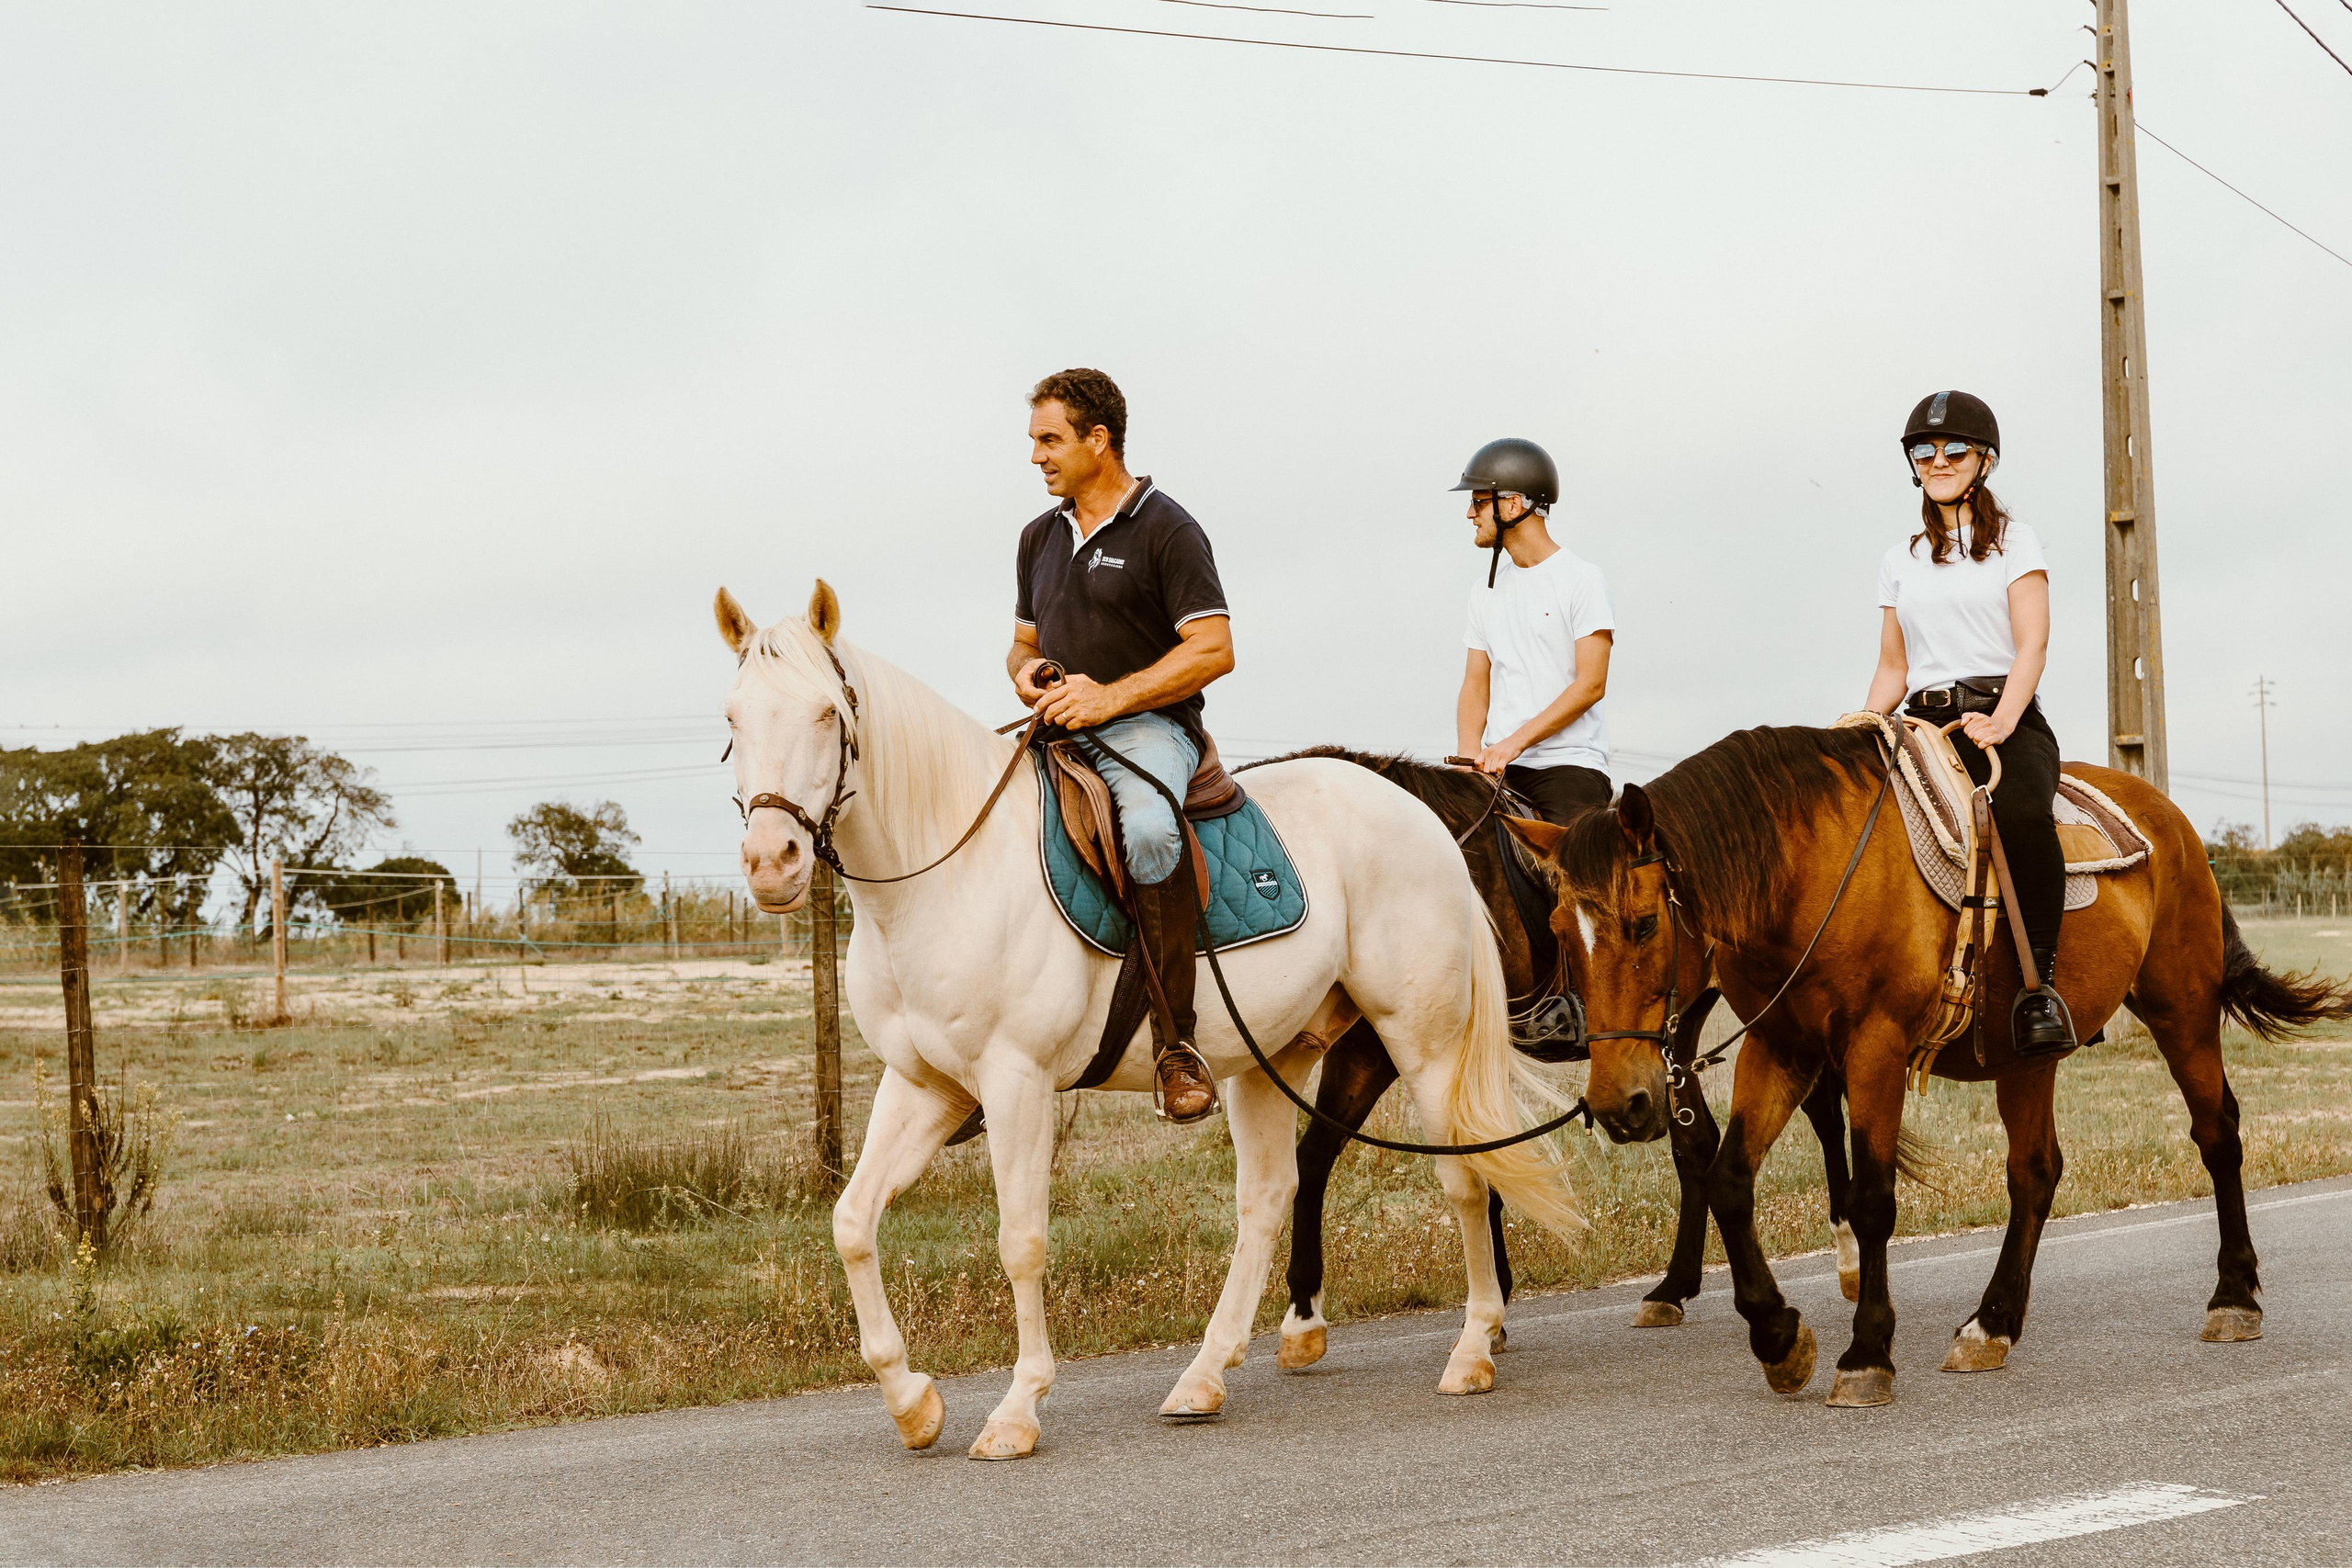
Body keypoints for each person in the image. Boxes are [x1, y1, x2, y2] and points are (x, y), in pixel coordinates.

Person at [1009, 368, 1233, 1122]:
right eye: (1034, 440)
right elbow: (1020, 647)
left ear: (1097, 441)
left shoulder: (1168, 528)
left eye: (1050, 440)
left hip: (1150, 728)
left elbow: (1213, 648)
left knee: (1145, 829)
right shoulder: (1037, 537)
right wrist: (1030, 676)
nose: (1036, 455)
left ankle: (1179, 1044)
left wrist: (1109, 696)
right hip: (1057, 727)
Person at [1865, 389, 2075, 1054]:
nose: (1938, 460)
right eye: (1923, 451)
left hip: (2001, 713)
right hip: (1921, 722)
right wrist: (1857, 726)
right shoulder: (1899, 559)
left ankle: (2041, 986)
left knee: (2016, 813)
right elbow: (1894, 668)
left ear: (1985, 460)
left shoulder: (2018, 541)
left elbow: (2032, 645)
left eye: (1954, 449)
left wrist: (2004, 719)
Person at [1450, 438, 1616, 824]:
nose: (1469, 514)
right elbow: (1476, 683)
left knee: (1572, 873)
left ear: (1513, 504)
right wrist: (1466, 758)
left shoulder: (1582, 579)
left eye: (1478, 501)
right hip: (1497, 768)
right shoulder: (1483, 590)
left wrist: (1513, 744)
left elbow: (1591, 685)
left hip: (1568, 767)